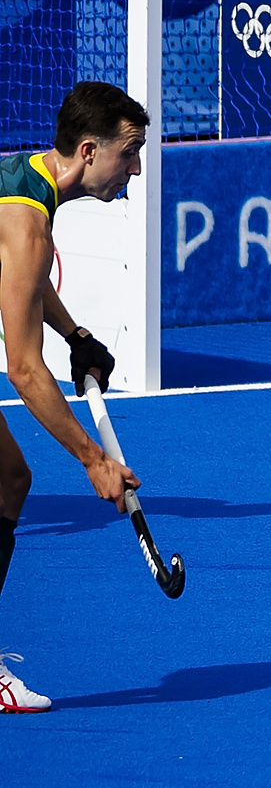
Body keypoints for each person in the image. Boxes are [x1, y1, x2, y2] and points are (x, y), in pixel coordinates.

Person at [0, 82, 146, 711]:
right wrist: (94, 459)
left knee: (8, 480)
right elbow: (25, 371)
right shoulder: (30, 222)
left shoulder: (26, 176)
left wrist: (75, 333)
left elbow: (20, 285)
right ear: (89, 151)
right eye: (129, 153)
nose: (136, 170)